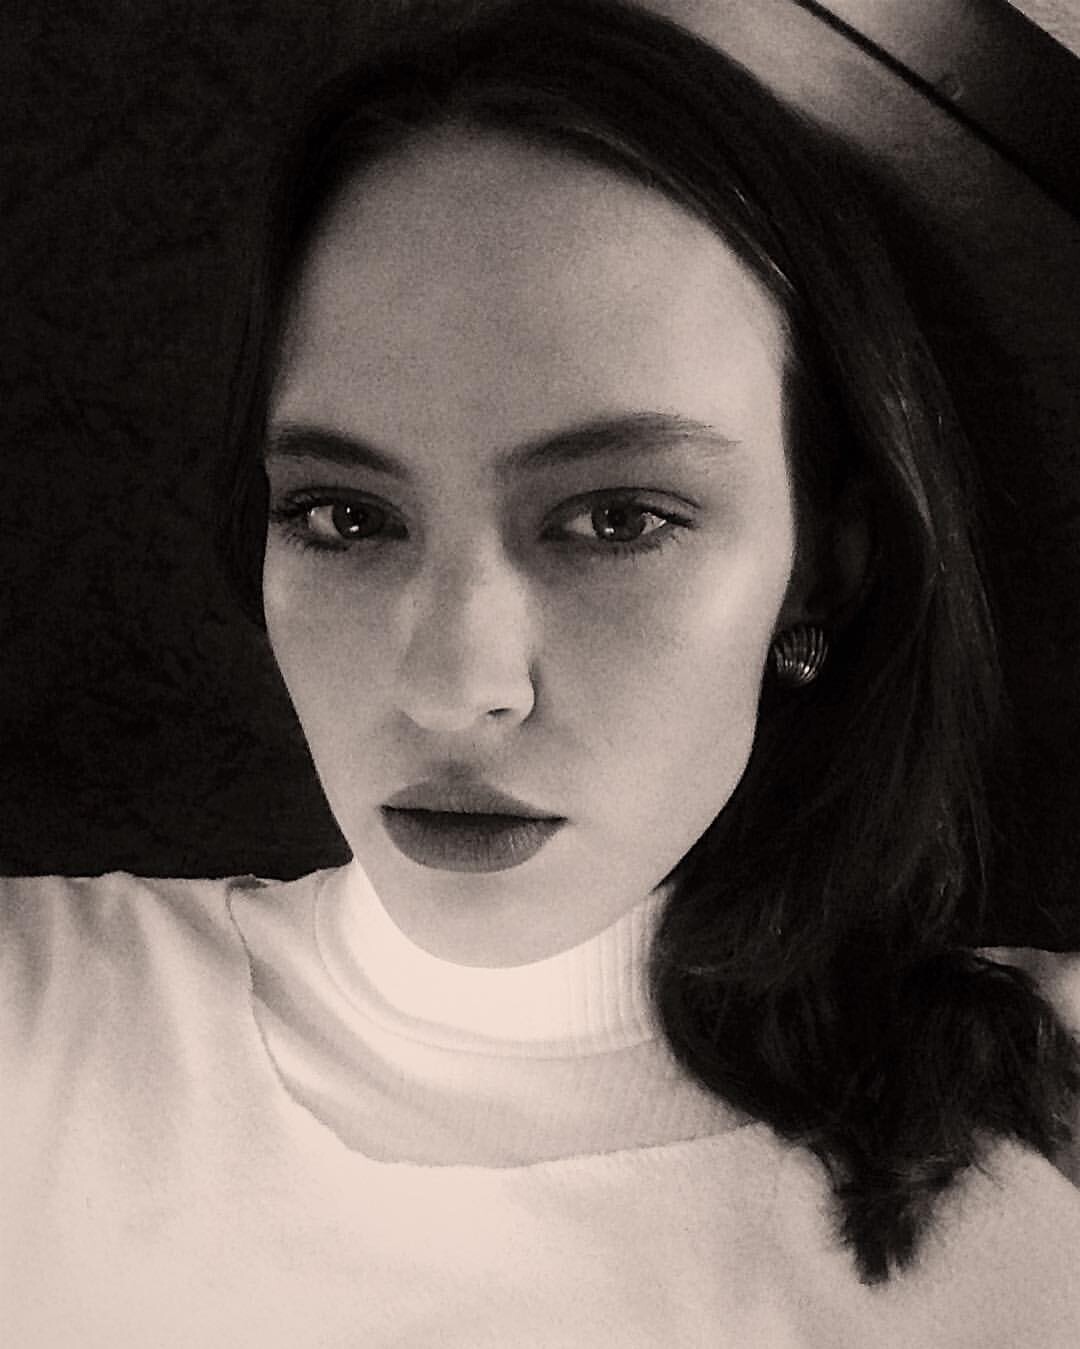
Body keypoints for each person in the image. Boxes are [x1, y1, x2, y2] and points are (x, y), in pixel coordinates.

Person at [3, 0, 1079, 1342]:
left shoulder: (1052, 1116)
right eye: (344, 515)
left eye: (617, 518)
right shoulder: (43, 1021)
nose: (452, 688)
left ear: (824, 567)